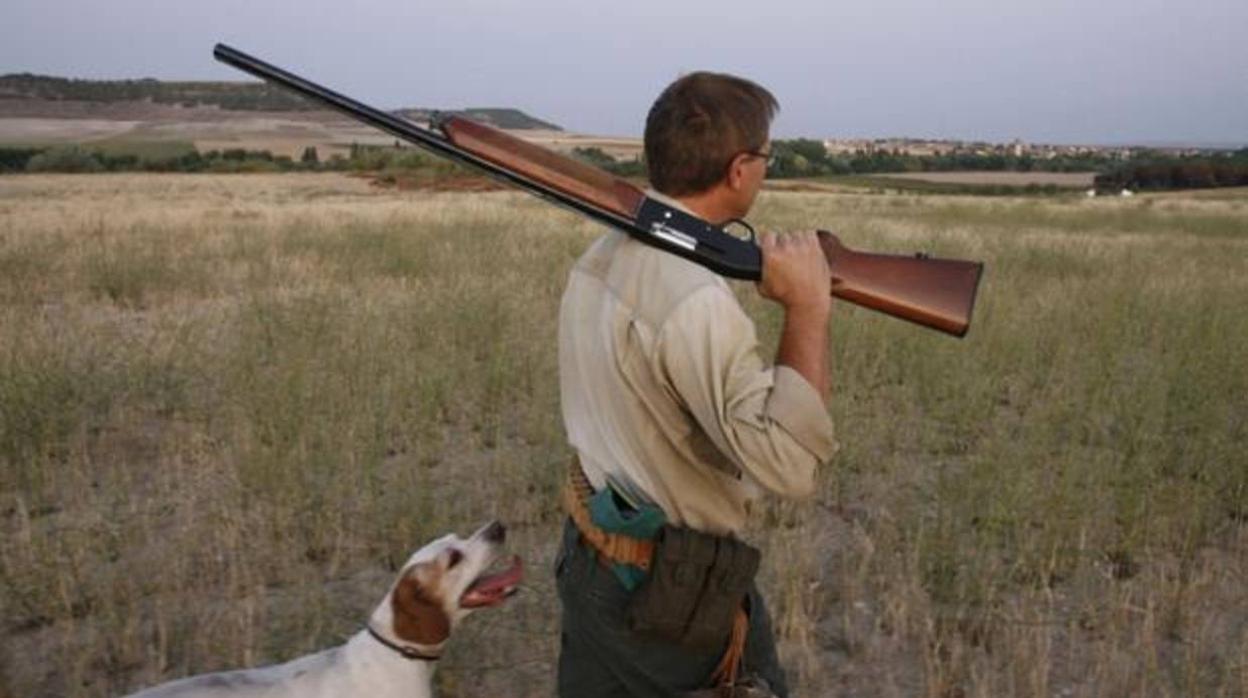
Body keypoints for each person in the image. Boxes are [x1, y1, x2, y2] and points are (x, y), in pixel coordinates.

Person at [555, 71, 838, 698]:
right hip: (667, 595)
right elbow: (791, 467)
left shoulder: (602, 254)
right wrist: (809, 308)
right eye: (766, 157)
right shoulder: (694, 300)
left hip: (593, 554)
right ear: (740, 170)